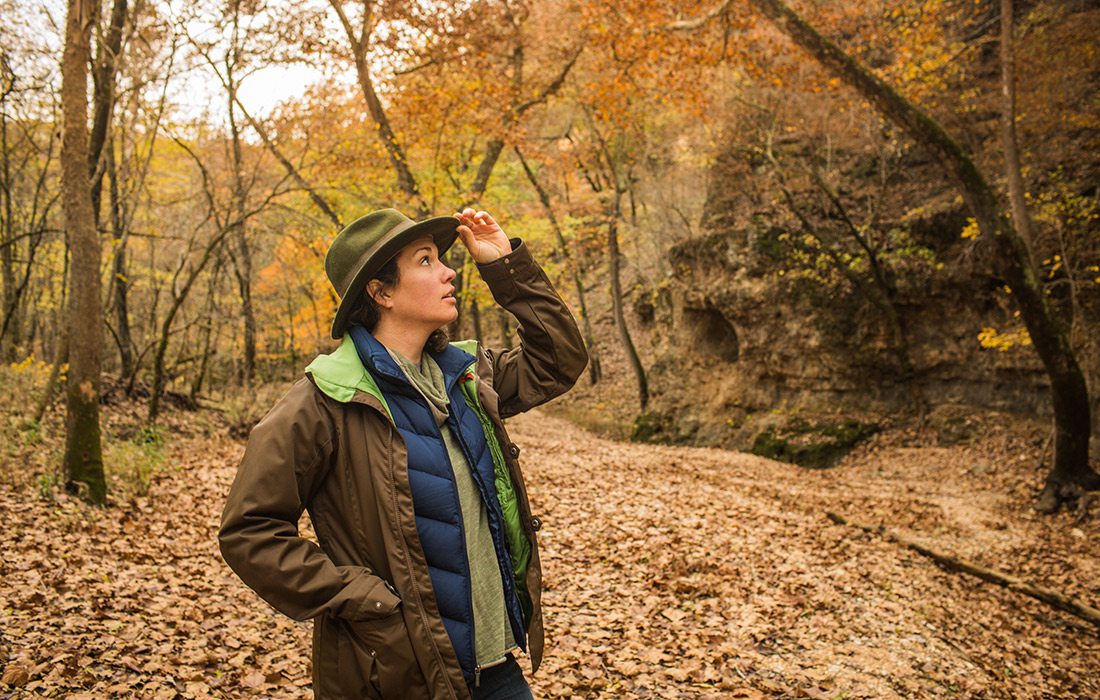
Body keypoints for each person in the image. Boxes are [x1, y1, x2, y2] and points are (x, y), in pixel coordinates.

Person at [218, 207, 588, 699]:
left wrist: (506, 268)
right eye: (425, 261)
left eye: (440, 259)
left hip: (496, 670)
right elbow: (250, 531)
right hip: (400, 676)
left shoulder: (467, 374)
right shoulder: (325, 399)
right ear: (381, 292)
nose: (449, 271)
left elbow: (558, 360)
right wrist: (358, 596)